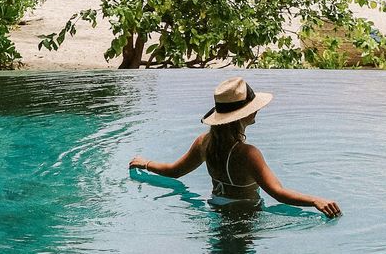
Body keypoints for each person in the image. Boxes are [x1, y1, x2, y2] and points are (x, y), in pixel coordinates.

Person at [129, 77, 342, 218]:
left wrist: (146, 163)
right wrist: (316, 200)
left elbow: (174, 171)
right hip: (246, 218)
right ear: (243, 115)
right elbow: (278, 193)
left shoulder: (204, 143)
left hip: (216, 211)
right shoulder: (248, 154)